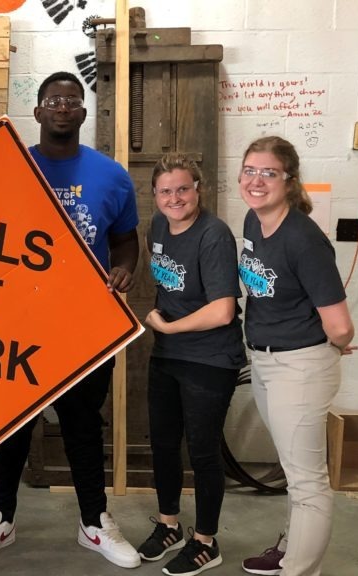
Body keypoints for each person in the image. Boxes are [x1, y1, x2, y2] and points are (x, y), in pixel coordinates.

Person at [0, 71, 141, 568]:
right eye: (53, 100)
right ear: (37, 112)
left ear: (83, 113)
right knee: (13, 423)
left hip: (85, 325)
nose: (63, 106)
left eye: (72, 100)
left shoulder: (112, 175)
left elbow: (126, 238)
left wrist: (124, 267)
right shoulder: (10, 169)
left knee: (83, 423)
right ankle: (0, 516)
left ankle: (93, 521)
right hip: (16, 321)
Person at [236, 136, 355, 576]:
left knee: (307, 481)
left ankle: (300, 570)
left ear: (289, 180)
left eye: (269, 173)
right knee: (293, 468)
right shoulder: (253, 221)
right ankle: (291, 551)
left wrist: (333, 344)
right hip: (266, 360)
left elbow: (340, 326)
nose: (256, 181)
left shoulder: (304, 240)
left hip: (300, 367)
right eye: (250, 170)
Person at [136, 154, 246, 576]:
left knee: (202, 451)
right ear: (155, 196)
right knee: (163, 443)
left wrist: (169, 326)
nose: (174, 198)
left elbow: (221, 311)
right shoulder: (158, 226)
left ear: (198, 188)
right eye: (165, 191)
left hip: (209, 358)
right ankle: (169, 526)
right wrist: (165, 328)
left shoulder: (214, 235)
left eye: (183, 188)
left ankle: (205, 541)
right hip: (169, 354)